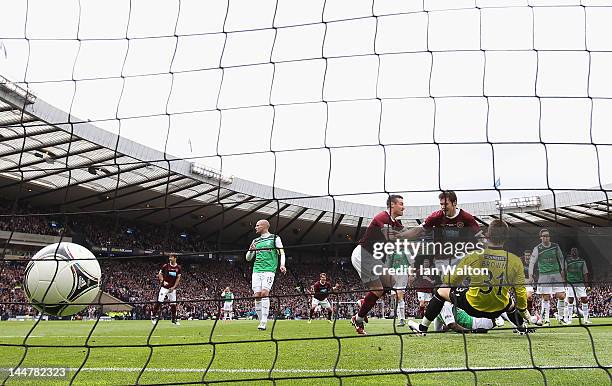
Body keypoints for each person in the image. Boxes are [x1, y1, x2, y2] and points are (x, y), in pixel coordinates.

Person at [408, 220, 530, 336]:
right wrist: (524, 311)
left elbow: (452, 281)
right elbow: (520, 291)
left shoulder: (474, 256)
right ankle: (522, 327)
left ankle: (422, 328)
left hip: (473, 306)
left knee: (441, 291)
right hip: (498, 309)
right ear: (506, 238)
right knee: (510, 303)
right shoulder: (515, 261)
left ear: (487, 236)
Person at [350, 195, 404, 335]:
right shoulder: (382, 217)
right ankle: (359, 319)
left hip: (374, 258)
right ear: (392, 205)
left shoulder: (397, 224)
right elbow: (390, 237)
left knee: (391, 282)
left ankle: (362, 305)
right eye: (401, 204)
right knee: (378, 289)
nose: (403, 207)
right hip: (363, 254)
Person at [246, 219, 286, 331]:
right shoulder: (256, 241)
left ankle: (264, 321)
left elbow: (282, 252)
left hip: (269, 270)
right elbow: (248, 258)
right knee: (257, 295)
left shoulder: (275, 238)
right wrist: (250, 250)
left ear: (264, 226)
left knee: (264, 293)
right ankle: (260, 321)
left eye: (257, 225)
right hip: (256, 270)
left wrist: (282, 265)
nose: (256, 227)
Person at [529, 228, 566, 326]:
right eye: (544, 236)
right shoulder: (537, 248)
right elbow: (532, 262)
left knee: (561, 296)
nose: (546, 237)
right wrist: (530, 275)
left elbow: (561, 258)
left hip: (556, 273)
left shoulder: (555, 246)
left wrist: (563, 270)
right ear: (540, 237)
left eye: (547, 236)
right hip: (544, 275)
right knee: (546, 297)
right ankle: (546, 320)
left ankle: (561, 318)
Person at [151, 254, 182, 326]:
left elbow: (178, 279)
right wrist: (163, 281)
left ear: (175, 258)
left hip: (172, 289)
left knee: (173, 304)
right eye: (169, 257)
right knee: (159, 301)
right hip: (164, 288)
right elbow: (159, 274)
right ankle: (153, 316)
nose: (169, 258)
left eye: (171, 257)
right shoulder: (166, 266)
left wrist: (174, 287)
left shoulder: (178, 268)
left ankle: (174, 319)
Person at [564, 247, 591, 324]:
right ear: (570, 252)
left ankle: (585, 320)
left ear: (578, 252)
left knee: (584, 300)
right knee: (570, 300)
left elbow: (585, 273)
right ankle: (569, 319)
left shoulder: (582, 261)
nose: (574, 252)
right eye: (572, 251)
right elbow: (564, 272)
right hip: (570, 283)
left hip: (580, 283)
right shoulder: (567, 261)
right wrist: (565, 282)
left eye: (575, 251)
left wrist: (586, 284)